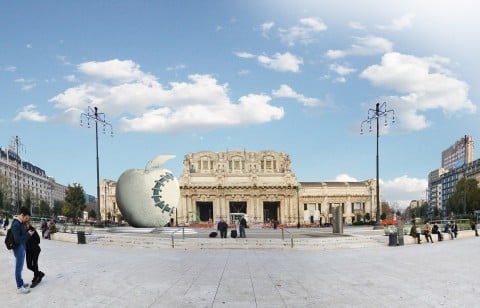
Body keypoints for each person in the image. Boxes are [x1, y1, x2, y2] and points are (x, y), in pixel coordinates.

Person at [11, 207, 34, 294]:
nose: (27, 220)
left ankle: (20, 282)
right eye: (26, 218)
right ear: (21, 215)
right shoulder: (16, 224)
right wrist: (28, 234)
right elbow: (18, 240)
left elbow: (22, 235)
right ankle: (19, 287)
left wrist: (27, 230)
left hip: (22, 247)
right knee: (18, 267)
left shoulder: (20, 223)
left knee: (20, 267)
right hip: (18, 248)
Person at [24, 216, 45, 288]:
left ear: (29, 224)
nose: (26, 226)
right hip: (28, 250)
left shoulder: (32, 230)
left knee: (35, 263)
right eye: (25, 224)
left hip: (35, 249)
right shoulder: (23, 231)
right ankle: (39, 274)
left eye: (27, 224)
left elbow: (38, 240)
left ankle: (36, 278)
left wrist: (30, 239)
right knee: (29, 265)